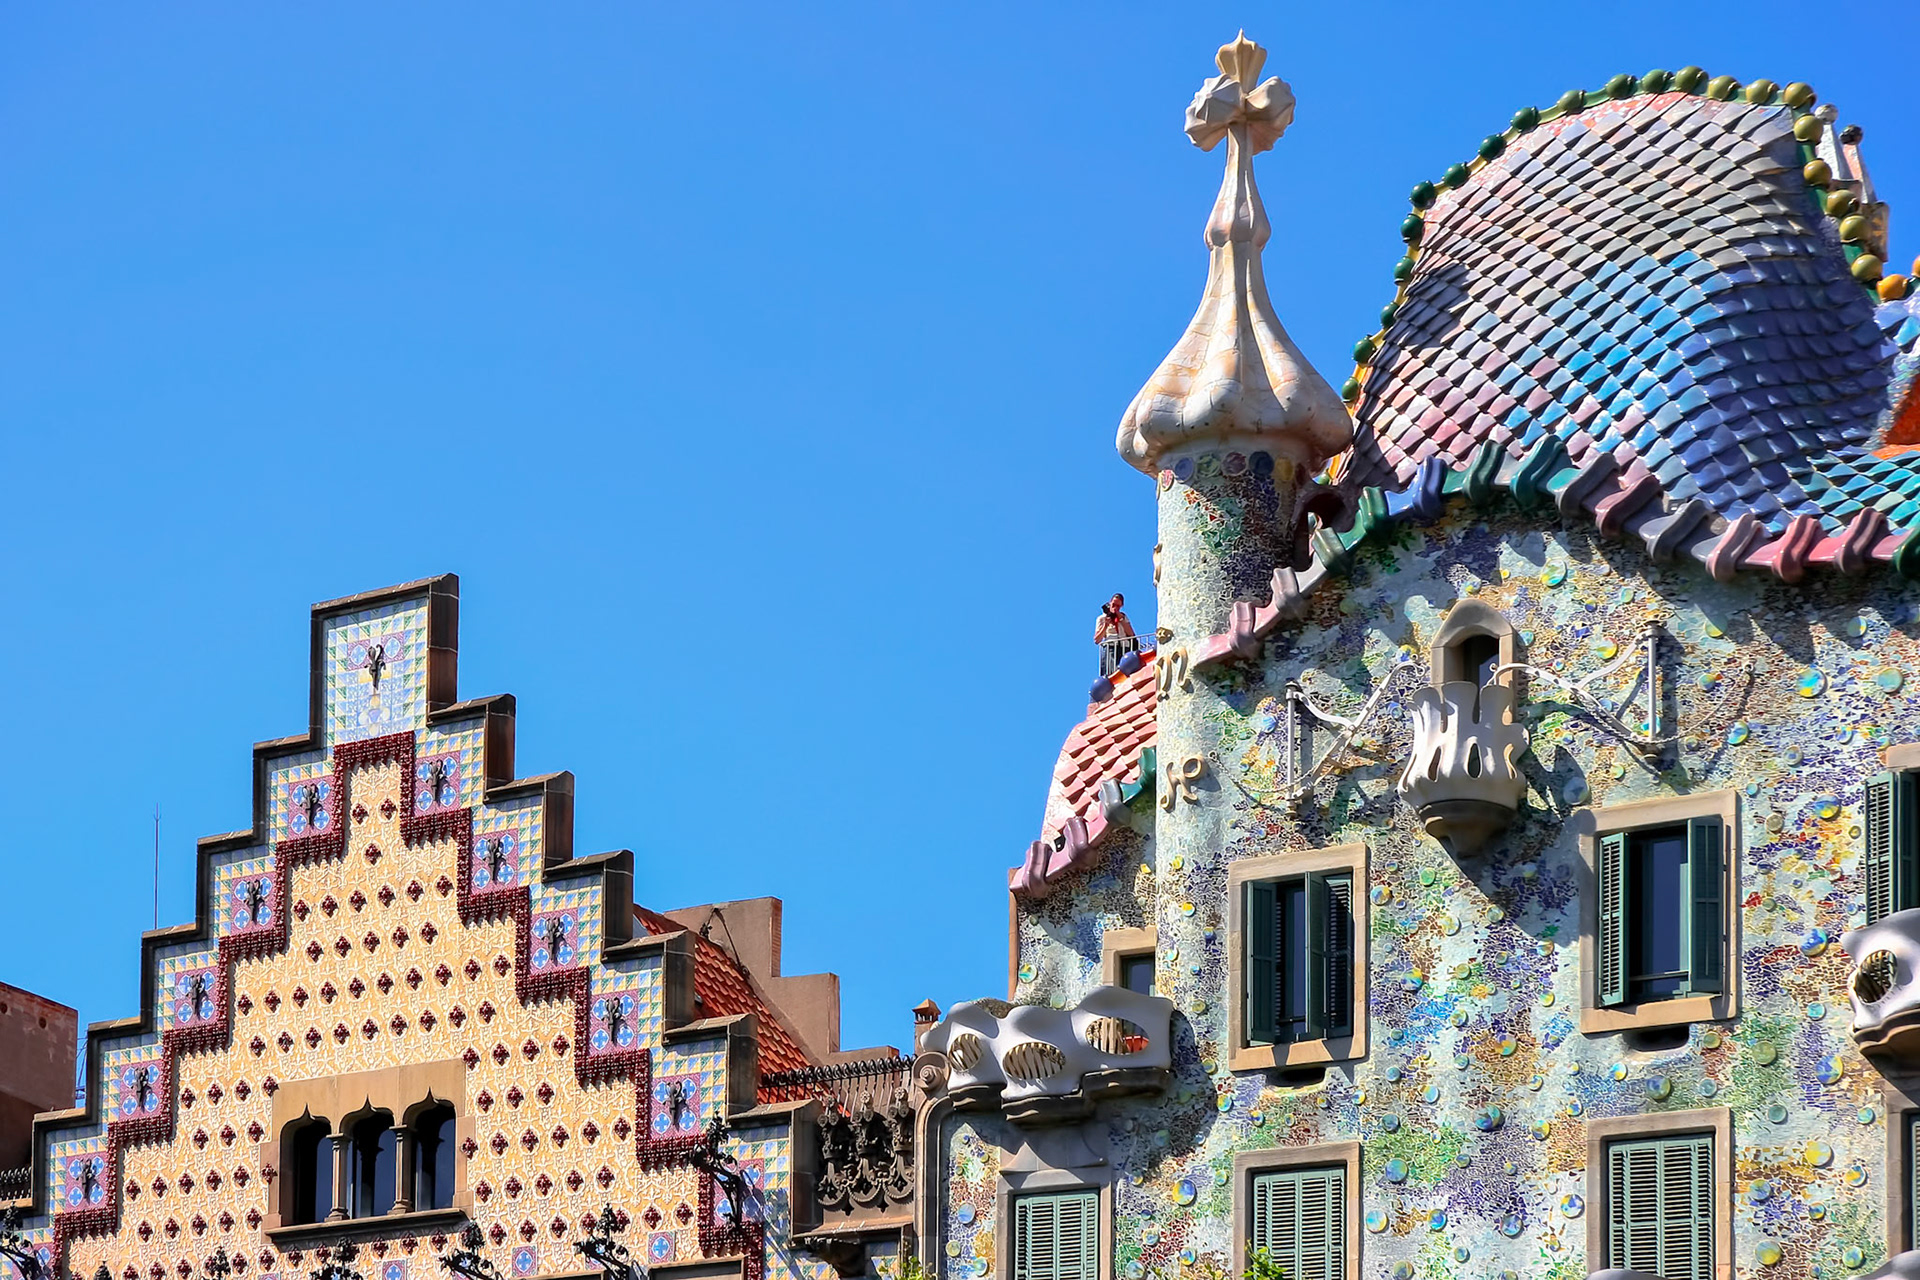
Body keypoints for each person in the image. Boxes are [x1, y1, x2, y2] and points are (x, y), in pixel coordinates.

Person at [1095, 594, 1139, 676]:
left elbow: (1131, 634)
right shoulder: (1102, 618)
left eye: (1118, 606)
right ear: (1110, 603)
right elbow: (1097, 640)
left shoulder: (1123, 617)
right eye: (1113, 605)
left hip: (1124, 647)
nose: (1115, 608)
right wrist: (1105, 625)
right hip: (1111, 647)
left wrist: (1121, 619)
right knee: (1113, 672)